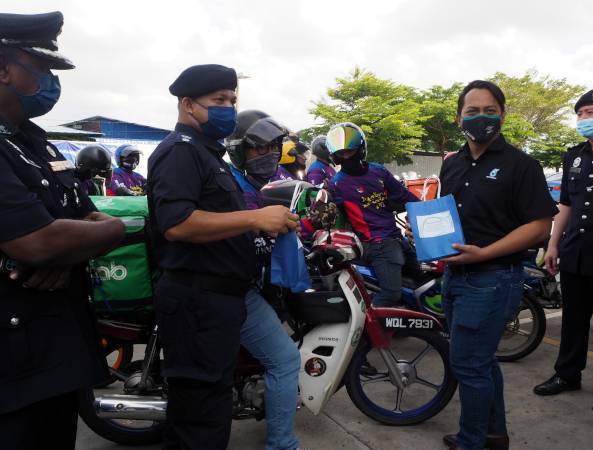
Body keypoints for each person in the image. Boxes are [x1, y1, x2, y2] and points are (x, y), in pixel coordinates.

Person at [147, 65, 298, 450]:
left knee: (212, 412)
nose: (228, 108)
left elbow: (219, 221)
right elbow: (176, 223)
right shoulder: (180, 153)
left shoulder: (208, 155)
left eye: (232, 100)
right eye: (218, 101)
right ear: (187, 104)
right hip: (198, 300)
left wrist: (263, 226)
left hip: (220, 302)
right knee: (199, 422)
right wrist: (254, 217)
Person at [0, 12, 125, 450]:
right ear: (3, 69)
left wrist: (67, 251)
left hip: (56, 350)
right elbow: (38, 241)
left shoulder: (35, 141)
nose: (53, 82)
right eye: (44, 69)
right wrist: (55, 244)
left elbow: (89, 221)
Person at [438, 80, 557, 450]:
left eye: (490, 111)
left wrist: (485, 253)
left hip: (492, 278)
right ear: (459, 118)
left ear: (502, 116)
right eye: (472, 111)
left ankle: (472, 441)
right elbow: (447, 216)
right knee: (482, 362)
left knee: (469, 366)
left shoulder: (521, 165)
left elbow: (540, 226)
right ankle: (494, 434)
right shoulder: (452, 165)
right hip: (454, 275)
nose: (481, 118)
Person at [226, 109, 301, 450]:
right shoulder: (233, 187)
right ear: (240, 149)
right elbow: (245, 242)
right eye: (259, 148)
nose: (269, 156)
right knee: (285, 360)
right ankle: (282, 444)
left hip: (241, 286)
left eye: (274, 147)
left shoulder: (249, 186)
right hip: (235, 292)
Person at [534, 89, 593, 396]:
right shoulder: (574, 155)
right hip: (575, 251)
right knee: (574, 319)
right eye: (581, 113)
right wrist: (553, 244)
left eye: (592, 112)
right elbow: (566, 206)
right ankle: (567, 374)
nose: (585, 118)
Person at [326, 122, 419, 307]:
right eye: (341, 154)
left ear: (360, 150)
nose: (346, 157)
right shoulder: (337, 184)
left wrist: (430, 216)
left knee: (421, 279)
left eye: (350, 152)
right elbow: (330, 214)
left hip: (397, 238)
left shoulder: (379, 171)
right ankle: (366, 329)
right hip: (376, 245)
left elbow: (407, 198)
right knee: (391, 294)